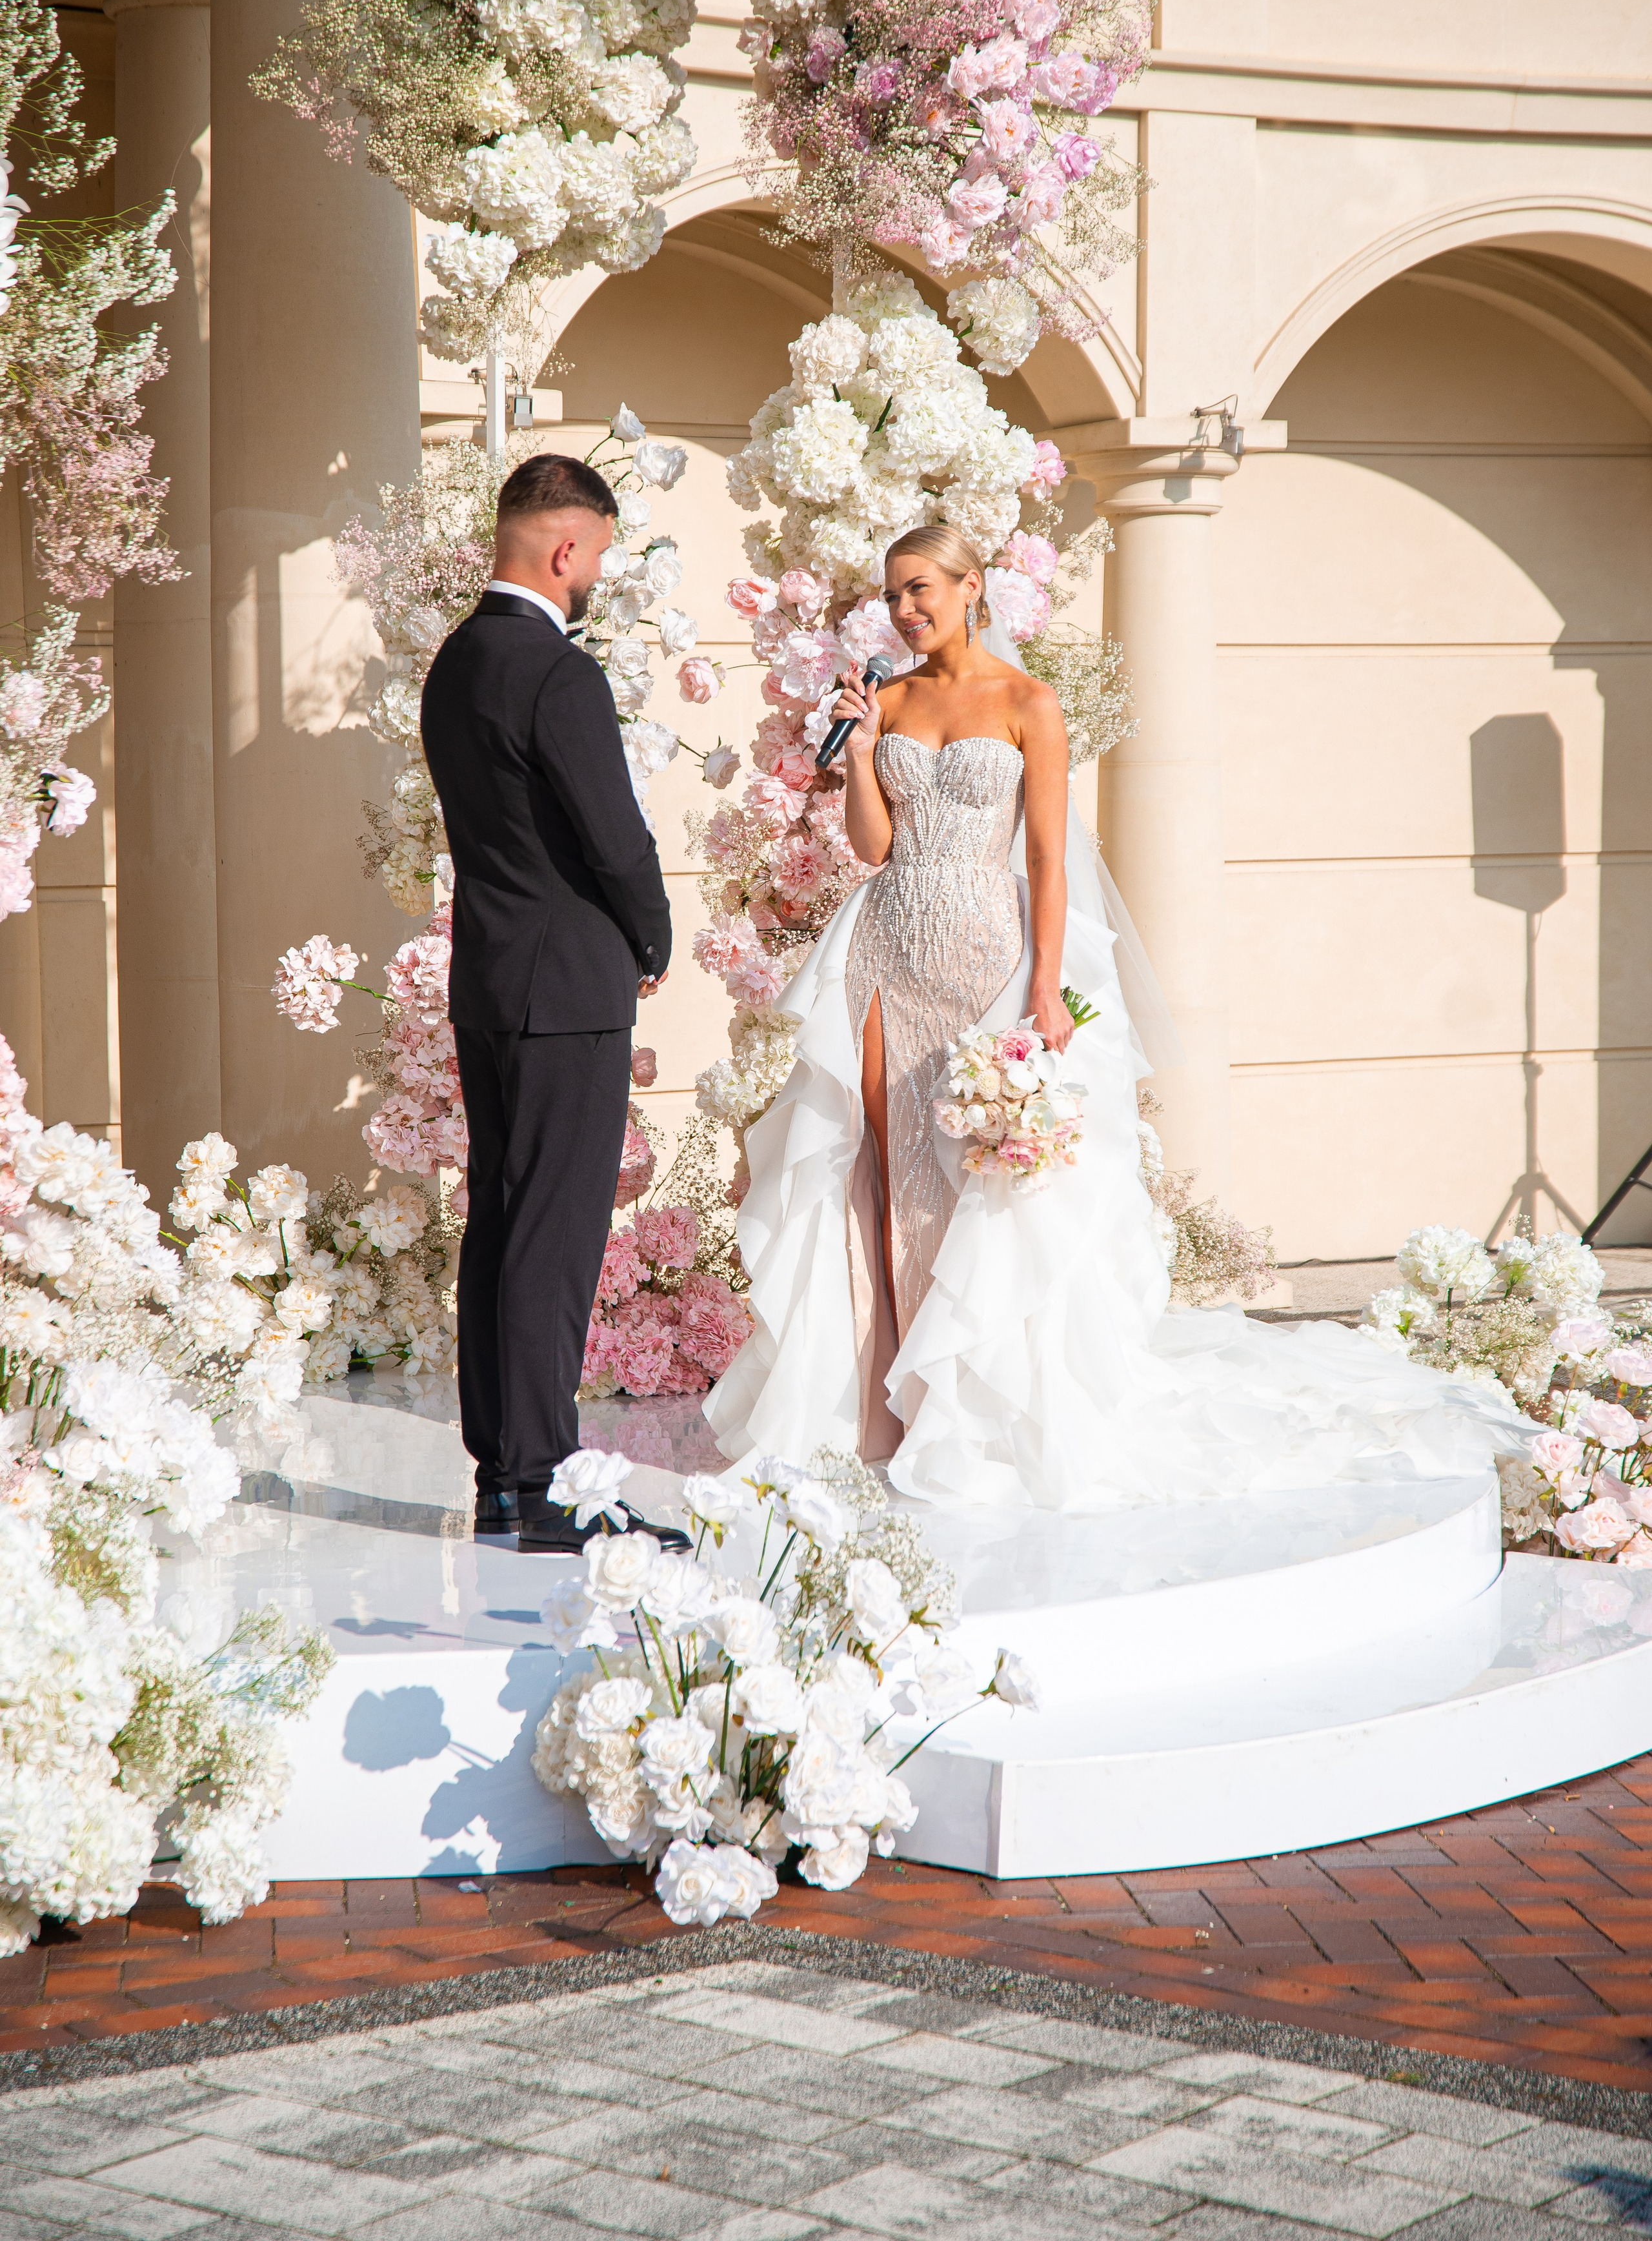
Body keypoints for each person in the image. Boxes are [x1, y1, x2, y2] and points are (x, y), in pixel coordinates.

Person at [705, 524, 1533, 1511]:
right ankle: (896, 1410)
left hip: (990, 958)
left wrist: (1047, 987)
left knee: (973, 1184)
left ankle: (973, 1409)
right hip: (885, 954)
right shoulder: (886, 699)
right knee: (887, 1176)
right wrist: (863, 752)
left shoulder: (1029, 704)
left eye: (921, 589)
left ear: (973, 587)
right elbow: (875, 851)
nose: (906, 610)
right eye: (893, 596)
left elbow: (1051, 858)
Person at [421, 452, 684, 1554]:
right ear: (564, 547)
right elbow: (612, 833)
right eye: (597, 559)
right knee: (555, 1236)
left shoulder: (455, 660)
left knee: (503, 1221)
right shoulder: (558, 674)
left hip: (489, 977)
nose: (594, 581)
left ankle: (501, 1480)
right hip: (568, 987)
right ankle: (543, 1488)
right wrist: (654, 932)